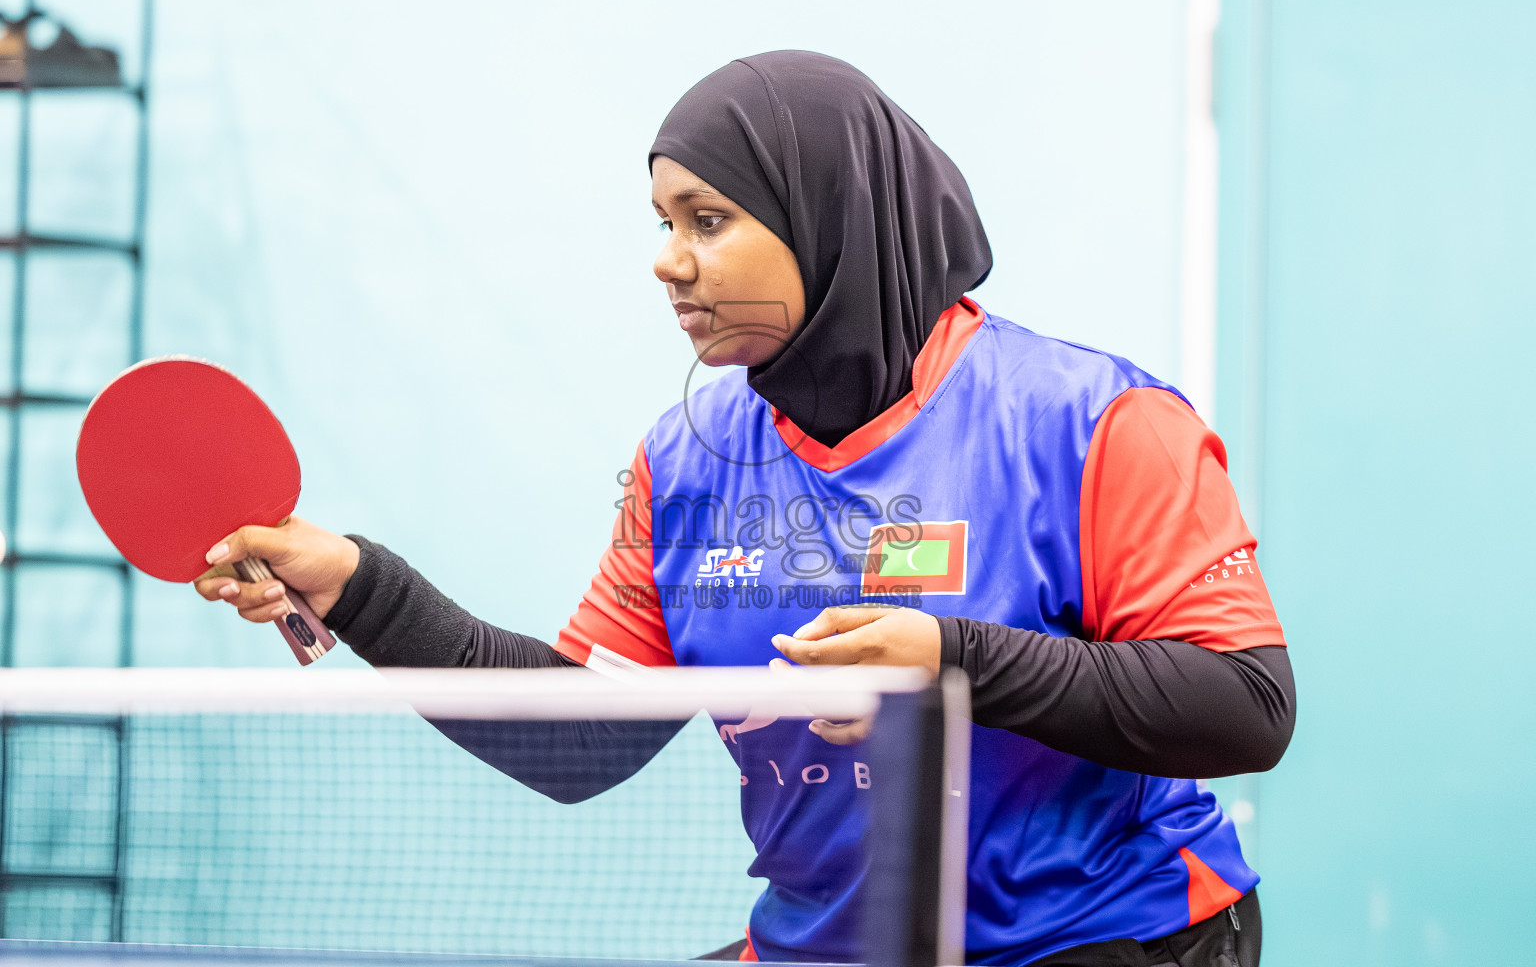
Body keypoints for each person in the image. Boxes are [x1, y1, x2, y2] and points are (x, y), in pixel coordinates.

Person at [196, 51, 1294, 967]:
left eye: (707, 219)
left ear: (828, 217)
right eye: (664, 221)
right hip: (826, 945)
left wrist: (954, 661)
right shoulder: (687, 463)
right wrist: (365, 587)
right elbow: (582, 744)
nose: (667, 262)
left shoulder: (1095, 421)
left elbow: (1245, 705)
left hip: (1106, 934)